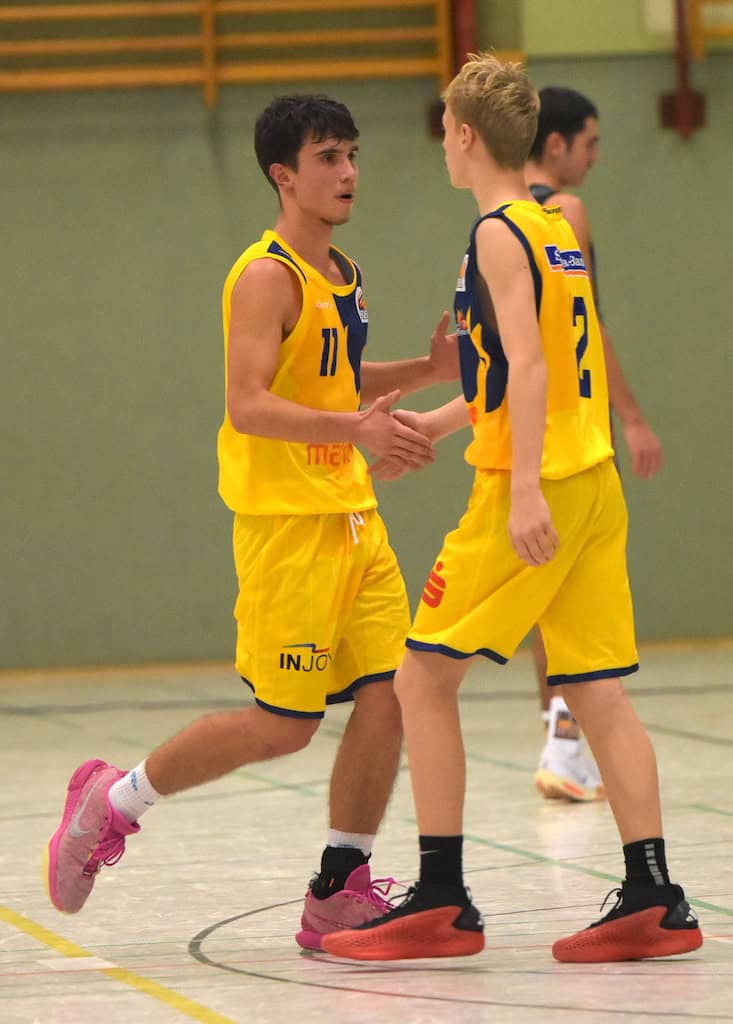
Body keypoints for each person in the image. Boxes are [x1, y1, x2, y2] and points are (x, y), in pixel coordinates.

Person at [43, 94, 461, 950]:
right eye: (327, 157)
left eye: (351, 154)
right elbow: (249, 404)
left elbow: (333, 380)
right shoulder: (265, 274)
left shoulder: (340, 271)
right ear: (283, 175)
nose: (347, 171)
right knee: (284, 726)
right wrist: (360, 431)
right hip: (287, 527)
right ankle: (109, 802)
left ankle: (338, 885)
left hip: (353, 519)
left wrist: (425, 368)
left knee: (395, 696)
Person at [321, 54, 701, 963]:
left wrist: (521, 483)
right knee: (596, 688)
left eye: (443, 129)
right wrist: (441, 421)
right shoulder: (550, 226)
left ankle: (442, 895)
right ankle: (653, 891)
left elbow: (528, 364)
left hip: (531, 484)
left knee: (420, 678)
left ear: (460, 134)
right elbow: (526, 374)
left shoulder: (498, 232)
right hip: (592, 475)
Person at [526, 86, 664, 804]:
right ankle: (567, 739)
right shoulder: (560, 212)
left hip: (517, 434)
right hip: (571, 431)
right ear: (555, 144)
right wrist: (632, 416)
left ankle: (557, 735)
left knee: (542, 588)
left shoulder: (493, 216)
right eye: (590, 142)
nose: (596, 156)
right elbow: (586, 326)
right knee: (580, 595)